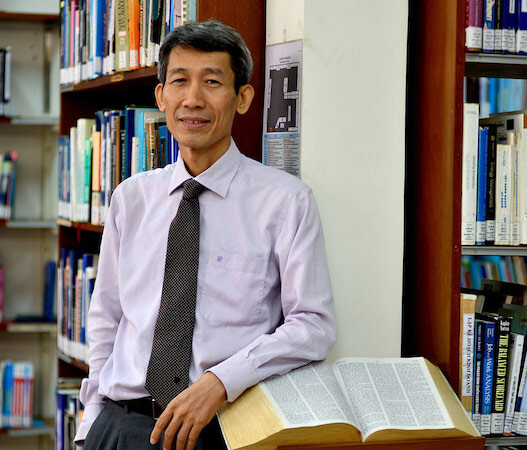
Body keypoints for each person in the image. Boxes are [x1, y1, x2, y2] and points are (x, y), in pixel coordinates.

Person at [75, 20, 337, 450]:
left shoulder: (285, 202)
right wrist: (91, 424)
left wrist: (222, 380)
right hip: (121, 427)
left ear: (243, 98)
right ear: (161, 96)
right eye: (180, 81)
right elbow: (108, 319)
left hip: (220, 430)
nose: (193, 99)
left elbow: (313, 325)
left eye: (212, 82)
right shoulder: (131, 198)